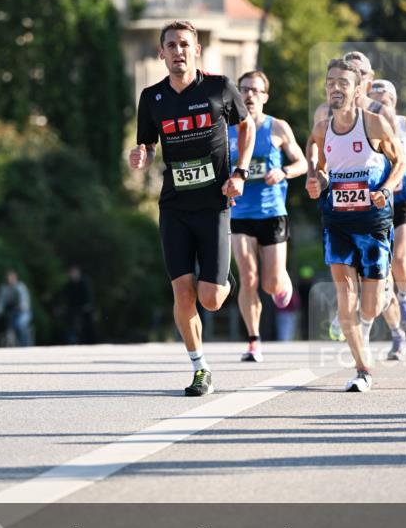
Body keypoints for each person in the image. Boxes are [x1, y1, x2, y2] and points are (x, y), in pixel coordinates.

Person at [130, 20, 255, 397]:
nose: (178, 51)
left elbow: (246, 127)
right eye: (171, 45)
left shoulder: (218, 88)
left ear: (196, 50)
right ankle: (200, 369)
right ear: (161, 53)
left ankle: (222, 280)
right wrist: (142, 154)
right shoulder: (151, 98)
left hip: (214, 205)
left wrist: (241, 172)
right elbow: (148, 145)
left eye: (185, 44)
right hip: (174, 207)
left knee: (211, 299)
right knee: (181, 292)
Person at [306, 58, 405, 392]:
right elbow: (317, 164)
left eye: (343, 83)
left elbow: (400, 161)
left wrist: (387, 188)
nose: (336, 87)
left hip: (374, 223)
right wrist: (315, 179)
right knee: (345, 298)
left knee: (371, 304)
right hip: (337, 222)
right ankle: (363, 370)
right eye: (330, 82)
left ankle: (378, 300)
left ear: (358, 88)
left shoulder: (374, 123)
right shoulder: (321, 129)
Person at [227, 70, 307, 362]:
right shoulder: (226, 129)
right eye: (244, 89)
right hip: (240, 213)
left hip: (273, 212)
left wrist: (283, 171)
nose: (249, 95)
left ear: (265, 97)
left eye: (255, 91)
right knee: (247, 277)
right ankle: (253, 340)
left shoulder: (277, 127)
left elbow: (303, 162)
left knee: (270, 284)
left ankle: (281, 283)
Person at [369, 78, 406, 358]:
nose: (380, 106)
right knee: (383, 276)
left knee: (402, 261)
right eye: (374, 101)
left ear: (394, 100)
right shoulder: (364, 128)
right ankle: (396, 334)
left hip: (404, 204)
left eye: (385, 100)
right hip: (376, 207)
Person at [0, 270, 33, 347]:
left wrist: (22, 306)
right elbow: (0, 301)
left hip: (23, 312)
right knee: (7, 327)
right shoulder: (4, 289)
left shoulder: (21, 287)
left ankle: (25, 345)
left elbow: (24, 299)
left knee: (20, 325)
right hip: (11, 311)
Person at [63, 265, 96, 345]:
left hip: (84, 310)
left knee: (86, 328)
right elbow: (66, 298)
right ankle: (73, 342)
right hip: (73, 310)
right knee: (72, 326)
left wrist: (88, 306)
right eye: (71, 273)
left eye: (74, 273)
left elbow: (89, 297)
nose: (73, 275)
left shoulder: (84, 283)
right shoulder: (69, 285)